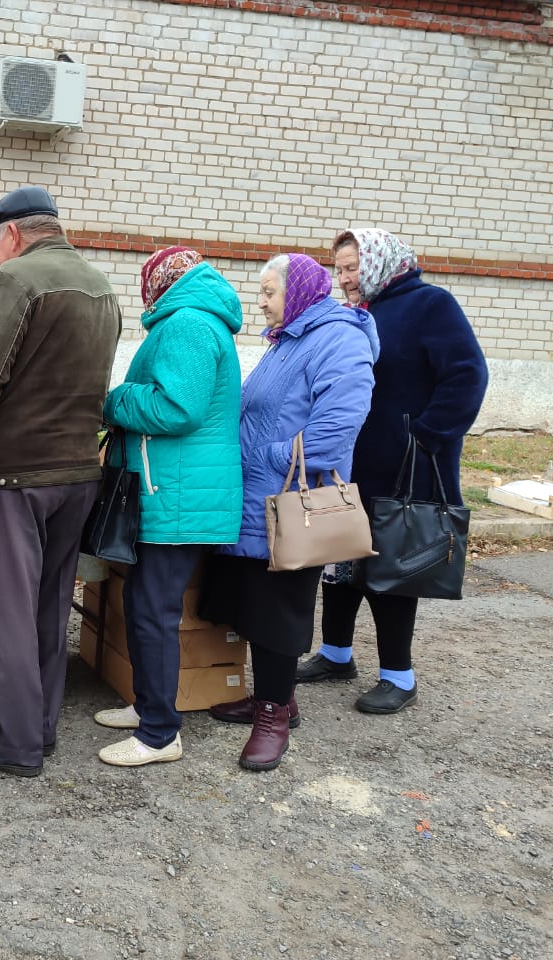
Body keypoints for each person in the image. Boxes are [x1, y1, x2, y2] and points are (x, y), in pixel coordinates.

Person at [0, 186, 122, 777]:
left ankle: (16, 745)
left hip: (17, 474)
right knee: (51, 606)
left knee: (6, 610)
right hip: (78, 471)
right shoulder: (101, 285)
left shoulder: (16, 281)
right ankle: (42, 728)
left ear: (12, 234)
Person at [199, 254, 377, 771]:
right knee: (252, 604)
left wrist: (272, 457)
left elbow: (341, 422)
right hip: (258, 496)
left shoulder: (338, 339)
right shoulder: (292, 339)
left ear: (296, 291)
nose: (260, 301)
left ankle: (273, 718)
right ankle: (277, 699)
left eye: (268, 291)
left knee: (278, 610)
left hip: (292, 500)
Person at [299, 229, 488, 713]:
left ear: (381, 262)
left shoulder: (430, 304)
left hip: (410, 466)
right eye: (337, 269)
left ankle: (399, 677)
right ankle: (336, 654)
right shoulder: (359, 312)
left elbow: (468, 374)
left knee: (392, 566)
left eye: (350, 268)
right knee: (340, 559)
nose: (343, 279)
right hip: (354, 462)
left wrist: (424, 435)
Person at [91, 247, 244, 767]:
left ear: (162, 283)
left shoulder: (188, 325)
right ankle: (149, 706)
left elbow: (177, 408)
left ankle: (159, 734)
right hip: (175, 491)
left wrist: (113, 401)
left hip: (176, 495)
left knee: (153, 612)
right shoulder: (194, 320)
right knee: (144, 606)